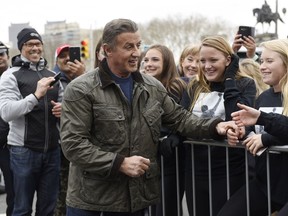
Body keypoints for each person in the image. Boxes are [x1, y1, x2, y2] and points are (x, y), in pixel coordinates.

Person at [59, 18, 240, 216]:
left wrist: (216, 127)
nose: (136, 52)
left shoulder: (152, 87)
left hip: (135, 200)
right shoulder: (81, 89)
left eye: (138, 45)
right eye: (128, 47)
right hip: (91, 202)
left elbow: (180, 119)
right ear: (108, 50)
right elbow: (73, 144)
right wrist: (119, 163)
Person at [184, 35, 256, 216]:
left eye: (213, 60)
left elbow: (238, 118)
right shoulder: (195, 86)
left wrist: (230, 79)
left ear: (228, 60)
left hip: (228, 171)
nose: (207, 66)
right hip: (196, 170)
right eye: (202, 61)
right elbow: (182, 119)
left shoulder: (245, 83)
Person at [219, 38, 288, 216]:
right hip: (265, 183)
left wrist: (266, 139)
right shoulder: (263, 97)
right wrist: (243, 132)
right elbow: (255, 130)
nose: (262, 66)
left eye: (270, 61)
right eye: (262, 60)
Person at [0, 27, 62, 216]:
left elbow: (64, 106)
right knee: (22, 209)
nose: (35, 48)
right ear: (21, 48)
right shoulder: (11, 75)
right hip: (23, 151)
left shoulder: (52, 74)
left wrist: (63, 110)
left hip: (52, 150)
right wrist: (36, 95)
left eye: (38, 44)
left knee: (48, 209)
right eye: (29, 44)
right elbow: (6, 112)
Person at [143, 44, 187, 216]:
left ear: (167, 62)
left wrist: (175, 136)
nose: (149, 64)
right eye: (146, 60)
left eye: (155, 59)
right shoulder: (142, 86)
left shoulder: (177, 87)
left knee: (166, 208)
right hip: (150, 160)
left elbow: (183, 119)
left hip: (172, 159)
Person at [53, 44, 85, 216]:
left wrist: (81, 76)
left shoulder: (87, 78)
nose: (67, 59)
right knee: (60, 194)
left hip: (83, 146)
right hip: (58, 146)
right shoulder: (51, 79)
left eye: (70, 55)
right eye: (62, 56)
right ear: (56, 61)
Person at [0, 41, 14, 216]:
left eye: (2, 53)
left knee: (14, 193)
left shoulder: (16, 76)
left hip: (9, 146)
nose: (0, 57)